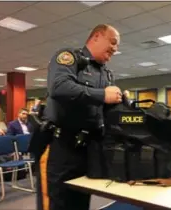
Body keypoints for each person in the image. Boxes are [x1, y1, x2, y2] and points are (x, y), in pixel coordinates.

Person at [36, 24, 123, 210]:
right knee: (56, 203)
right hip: (60, 148)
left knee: (81, 203)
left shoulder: (106, 73)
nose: (115, 49)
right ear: (97, 36)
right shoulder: (70, 57)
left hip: (88, 150)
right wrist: (102, 95)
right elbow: (59, 88)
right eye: (113, 42)